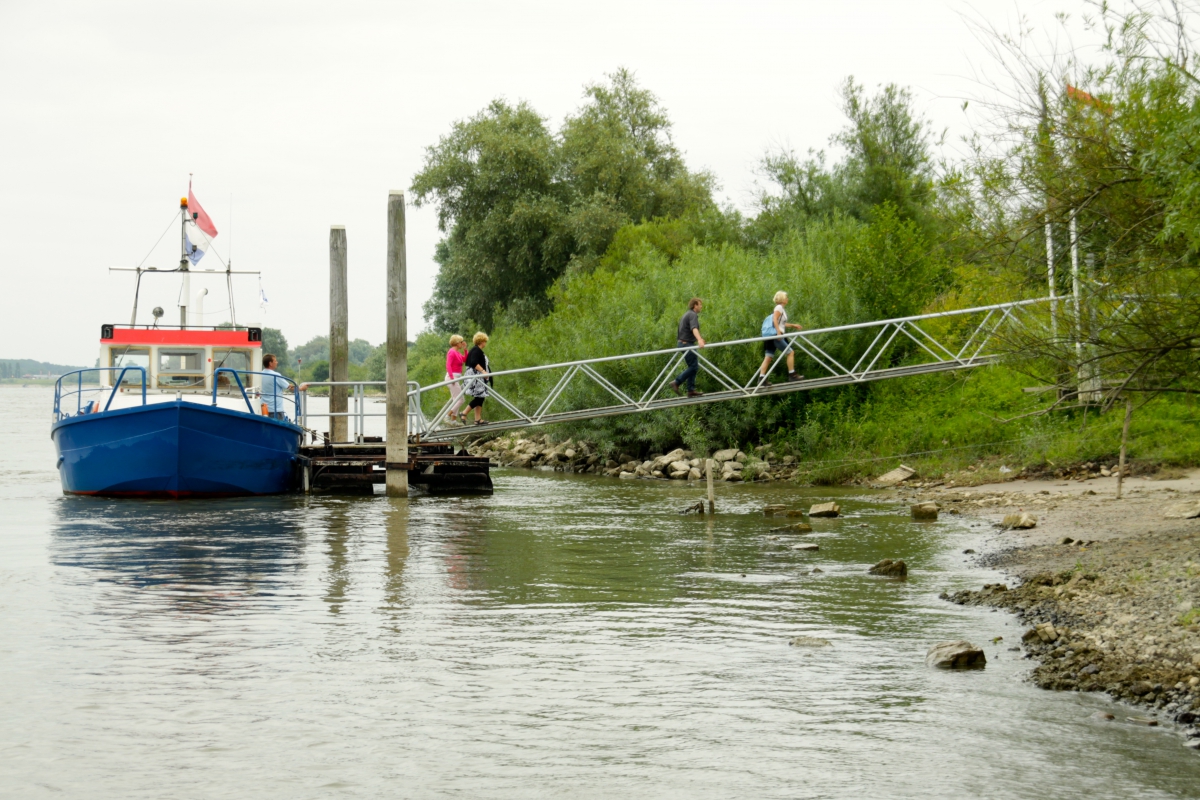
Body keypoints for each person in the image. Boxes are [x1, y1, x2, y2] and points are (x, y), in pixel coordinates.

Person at [758, 291, 804, 383]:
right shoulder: (779, 307)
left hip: (770, 336)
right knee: (790, 352)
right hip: (775, 336)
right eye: (786, 297)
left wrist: (793, 325)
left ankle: (761, 379)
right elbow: (775, 319)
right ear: (782, 299)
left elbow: (780, 323)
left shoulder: (779, 308)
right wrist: (778, 332)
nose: (787, 299)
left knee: (768, 357)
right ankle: (792, 375)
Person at [670, 298, 706, 398]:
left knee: (693, 366)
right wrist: (699, 340)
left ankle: (691, 390)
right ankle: (676, 382)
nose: (701, 306)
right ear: (695, 305)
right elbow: (693, 328)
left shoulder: (687, 314)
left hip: (683, 343)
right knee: (694, 367)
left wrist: (699, 339)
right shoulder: (692, 315)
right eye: (700, 305)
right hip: (686, 344)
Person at [463, 332, 492, 425]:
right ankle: (464, 413)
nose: (485, 343)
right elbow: (474, 362)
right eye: (485, 341)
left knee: (480, 397)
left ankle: (477, 419)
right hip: (476, 376)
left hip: (477, 376)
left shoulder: (475, 350)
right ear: (481, 341)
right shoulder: (476, 350)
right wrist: (483, 371)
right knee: (480, 396)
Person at [261, 353, 292, 420]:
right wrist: (301, 388)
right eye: (275, 361)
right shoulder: (276, 375)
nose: (277, 362)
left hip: (264, 409)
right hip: (276, 409)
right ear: (270, 363)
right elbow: (290, 387)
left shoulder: (260, 374)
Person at [445, 334, 468, 423]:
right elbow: (448, 365)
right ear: (456, 343)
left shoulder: (457, 352)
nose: (462, 343)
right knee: (461, 400)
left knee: (456, 400)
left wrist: (465, 349)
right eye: (461, 342)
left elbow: (465, 359)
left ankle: (453, 421)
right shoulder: (451, 352)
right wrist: (452, 378)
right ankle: (447, 415)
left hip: (456, 377)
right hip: (452, 377)